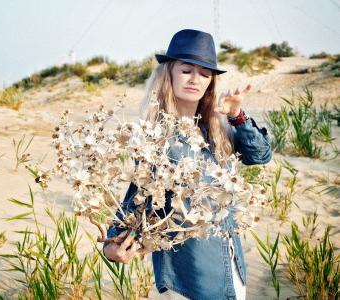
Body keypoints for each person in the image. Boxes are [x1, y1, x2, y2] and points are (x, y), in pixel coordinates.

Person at [103, 29, 272, 299]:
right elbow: (135, 199)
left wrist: (237, 115)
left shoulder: (218, 128)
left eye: (205, 74)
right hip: (187, 280)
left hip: (232, 269)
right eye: (186, 70)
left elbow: (260, 155)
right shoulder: (156, 137)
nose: (195, 79)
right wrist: (112, 247)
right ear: (168, 73)